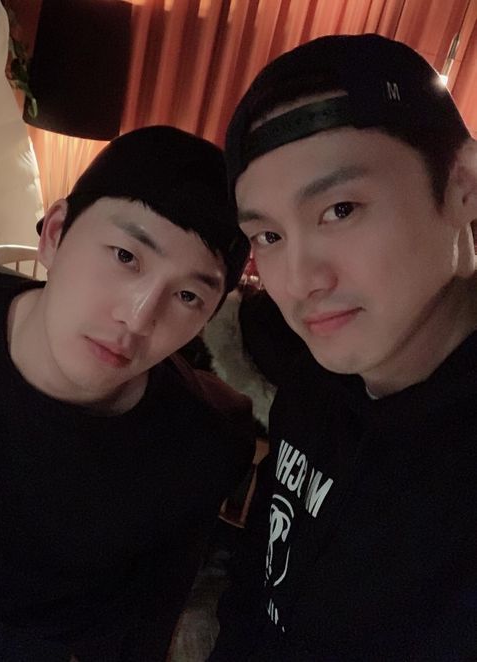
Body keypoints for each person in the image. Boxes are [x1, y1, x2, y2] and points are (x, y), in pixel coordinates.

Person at [210, 34, 477, 660]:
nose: (300, 282)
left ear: (463, 184)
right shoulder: (313, 380)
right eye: (269, 236)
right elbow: (254, 586)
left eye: (340, 209)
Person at [0, 125, 255, 661]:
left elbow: (138, 632)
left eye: (187, 296)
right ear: (55, 234)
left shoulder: (203, 440)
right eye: (125, 256)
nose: (137, 319)